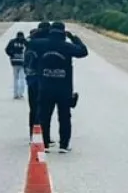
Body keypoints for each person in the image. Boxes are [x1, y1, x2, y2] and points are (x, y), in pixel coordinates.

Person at [35, 21, 89, 153]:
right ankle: (64, 145)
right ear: (63, 33)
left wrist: (40, 33)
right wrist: (74, 38)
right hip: (64, 88)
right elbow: (83, 51)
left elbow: (28, 42)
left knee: (44, 116)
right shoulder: (67, 46)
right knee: (64, 117)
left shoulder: (42, 45)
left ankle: (45, 143)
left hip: (45, 87)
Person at [24, 22, 52, 141]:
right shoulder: (47, 44)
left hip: (31, 80)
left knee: (34, 109)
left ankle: (33, 135)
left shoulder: (31, 44)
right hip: (44, 81)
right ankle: (44, 136)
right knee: (45, 110)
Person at [5, 31, 28, 99]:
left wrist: (12, 55)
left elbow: (7, 50)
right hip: (23, 62)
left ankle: (15, 94)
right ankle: (20, 93)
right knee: (22, 78)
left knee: (16, 78)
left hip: (14, 61)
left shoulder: (12, 42)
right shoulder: (25, 42)